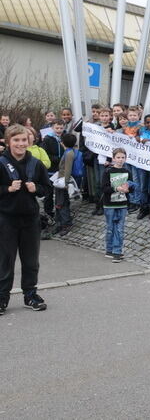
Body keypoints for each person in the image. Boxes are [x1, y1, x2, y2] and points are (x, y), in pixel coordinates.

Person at [0, 124, 52, 314]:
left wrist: (36, 189)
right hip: (6, 219)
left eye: (24, 140)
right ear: (8, 142)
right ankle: (2, 297)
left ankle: (30, 294)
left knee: (31, 261)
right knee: (5, 261)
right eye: (16, 140)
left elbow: (47, 189)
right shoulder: (1, 163)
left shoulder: (35, 163)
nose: (21, 144)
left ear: (29, 141)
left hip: (30, 220)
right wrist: (7, 189)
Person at [102, 148, 134, 263]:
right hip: (109, 204)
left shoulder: (127, 171)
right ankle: (109, 249)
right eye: (118, 157)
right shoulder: (108, 171)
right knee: (110, 228)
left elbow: (132, 188)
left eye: (123, 157)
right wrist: (116, 188)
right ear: (113, 158)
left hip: (122, 204)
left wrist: (129, 188)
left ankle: (117, 251)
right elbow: (104, 188)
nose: (120, 160)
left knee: (120, 229)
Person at [54, 132, 81, 236]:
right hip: (61, 180)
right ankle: (60, 222)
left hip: (63, 182)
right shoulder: (69, 151)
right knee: (60, 202)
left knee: (62, 203)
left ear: (63, 143)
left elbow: (68, 169)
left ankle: (66, 224)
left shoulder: (69, 153)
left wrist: (65, 182)